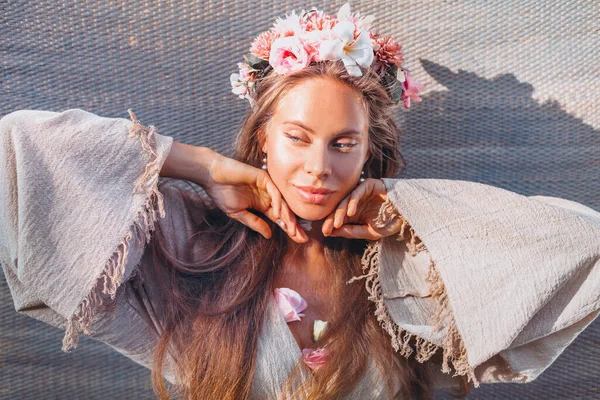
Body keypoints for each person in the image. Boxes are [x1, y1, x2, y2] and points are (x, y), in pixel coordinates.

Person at [1, 3, 599, 399]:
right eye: (296, 138)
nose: (318, 167)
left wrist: (404, 210)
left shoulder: (411, 269)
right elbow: (19, 148)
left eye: (344, 143)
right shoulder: (192, 248)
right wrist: (200, 164)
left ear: (369, 151)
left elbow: (583, 243)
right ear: (263, 138)